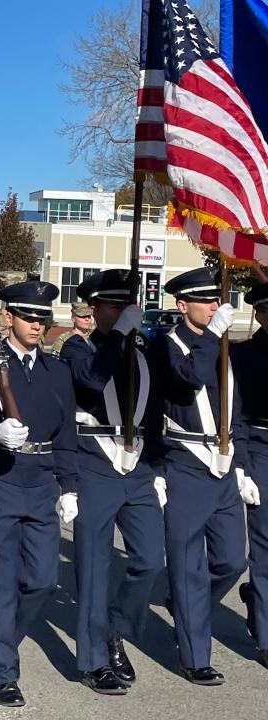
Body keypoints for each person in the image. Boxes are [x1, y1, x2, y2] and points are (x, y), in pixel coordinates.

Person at [0, 280, 78, 708]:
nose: (36, 324)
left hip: (42, 483)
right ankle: (1, 671)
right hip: (1, 484)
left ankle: (2, 641)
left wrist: (70, 486)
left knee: (43, 580)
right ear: (7, 317)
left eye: (42, 317)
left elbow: (67, 433)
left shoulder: (57, 371)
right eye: (28, 316)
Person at [59, 270, 165, 695]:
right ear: (95, 309)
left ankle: (114, 629)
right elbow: (90, 380)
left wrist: (159, 470)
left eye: (127, 306)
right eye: (113, 306)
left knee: (150, 560)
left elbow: (156, 406)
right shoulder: (76, 347)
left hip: (138, 465)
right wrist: (118, 337)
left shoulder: (143, 348)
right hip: (95, 463)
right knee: (93, 566)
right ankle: (93, 661)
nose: (122, 312)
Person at [149, 267, 254, 685]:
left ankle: (185, 604)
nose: (215, 305)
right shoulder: (166, 346)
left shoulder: (222, 342)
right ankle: (194, 656)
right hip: (186, 462)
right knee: (189, 564)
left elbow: (237, 410)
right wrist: (213, 335)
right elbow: (189, 377)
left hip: (225, 466)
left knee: (231, 560)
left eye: (216, 300)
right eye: (205, 300)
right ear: (182, 305)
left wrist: (242, 464)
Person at [232, 282, 268, 669]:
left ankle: (257, 601)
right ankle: (266, 633)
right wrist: (243, 466)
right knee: (266, 544)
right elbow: (237, 414)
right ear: (259, 314)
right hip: (262, 446)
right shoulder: (244, 357)